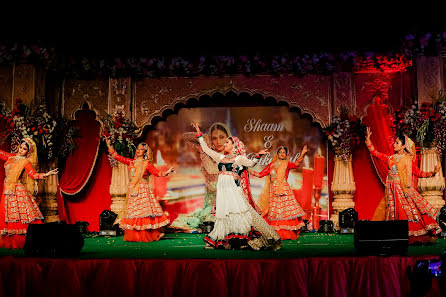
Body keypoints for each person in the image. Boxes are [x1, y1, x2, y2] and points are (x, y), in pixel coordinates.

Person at [191, 123, 281, 250]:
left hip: (233, 190)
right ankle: (224, 239)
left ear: (234, 145)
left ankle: (241, 239)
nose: (224, 144)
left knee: (238, 212)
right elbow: (206, 149)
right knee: (224, 213)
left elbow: (251, 164)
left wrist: (258, 155)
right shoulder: (220, 157)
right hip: (223, 191)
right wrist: (199, 132)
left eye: (227, 142)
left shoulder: (239, 159)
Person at [365, 127, 441, 243]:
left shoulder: (407, 159)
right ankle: (394, 234)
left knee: (405, 211)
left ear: (403, 146)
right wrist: (368, 140)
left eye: (397, 143)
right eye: (395, 142)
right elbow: (375, 153)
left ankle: (407, 233)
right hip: (390, 188)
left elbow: (418, 173)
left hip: (402, 189)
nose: (394, 145)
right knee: (392, 209)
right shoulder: (390, 157)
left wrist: (432, 173)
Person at [105, 136, 174, 242]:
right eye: (138, 148)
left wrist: (166, 172)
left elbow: (156, 172)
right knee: (134, 214)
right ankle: (136, 236)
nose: (138, 151)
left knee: (143, 214)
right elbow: (118, 157)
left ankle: (150, 235)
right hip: (133, 190)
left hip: (142, 190)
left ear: (145, 152)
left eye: (141, 149)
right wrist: (109, 145)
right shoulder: (131, 162)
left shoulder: (146, 164)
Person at [170, 123, 231, 232]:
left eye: (222, 137)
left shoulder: (230, 156)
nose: (218, 141)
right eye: (214, 138)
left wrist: (204, 150)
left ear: (228, 137)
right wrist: (203, 138)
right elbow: (186, 137)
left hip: (228, 197)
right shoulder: (209, 154)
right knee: (206, 219)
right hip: (212, 200)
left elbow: (212, 169)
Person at [0, 138, 58, 249]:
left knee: (20, 217)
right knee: (5, 215)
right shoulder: (10, 157)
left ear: (28, 152)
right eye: (20, 147)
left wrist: (47, 174)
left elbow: (34, 175)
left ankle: (21, 242)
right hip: (7, 189)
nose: (21, 150)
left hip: (17, 190)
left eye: (24, 149)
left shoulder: (25, 162)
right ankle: (8, 242)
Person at [249, 145, 309, 240]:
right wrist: (248, 170)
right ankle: (274, 232)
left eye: (283, 152)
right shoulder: (272, 165)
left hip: (285, 191)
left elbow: (296, 164)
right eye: (280, 152)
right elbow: (260, 174)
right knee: (275, 212)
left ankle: (286, 233)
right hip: (274, 191)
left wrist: (303, 154)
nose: (281, 154)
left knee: (285, 212)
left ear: (286, 155)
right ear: (277, 154)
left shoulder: (287, 164)